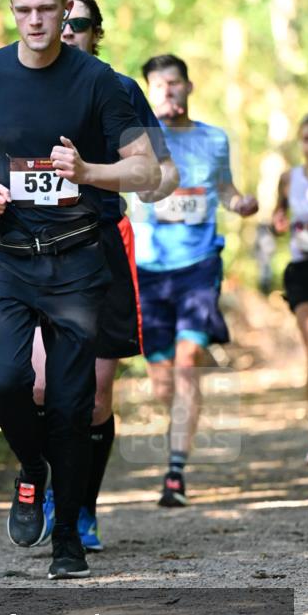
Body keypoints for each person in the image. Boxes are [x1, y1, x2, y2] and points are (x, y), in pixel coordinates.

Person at [0, 0, 159, 579]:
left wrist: (89, 173)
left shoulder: (100, 83)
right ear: (12, 9)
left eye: (46, 10)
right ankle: (31, 468)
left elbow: (146, 171)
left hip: (77, 262)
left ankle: (67, 535)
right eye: (23, 10)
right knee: (9, 382)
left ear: (66, 10)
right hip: (5, 258)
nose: (35, 21)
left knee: (72, 404)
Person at [32, 0, 179, 551]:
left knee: (94, 395)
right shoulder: (14, 80)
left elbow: (162, 171)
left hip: (100, 243)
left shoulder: (120, 90)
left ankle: (81, 507)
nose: (66, 31)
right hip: (32, 247)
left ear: (97, 33)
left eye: (80, 24)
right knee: (40, 385)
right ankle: (42, 481)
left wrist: (144, 180)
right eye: (59, 22)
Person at [133, 54, 258, 507]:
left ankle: (175, 471)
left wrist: (241, 203)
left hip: (199, 266)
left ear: (189, 87)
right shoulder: (136, 142)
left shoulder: (214, 139)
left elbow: (224, 189)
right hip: (148, 271)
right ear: (148, 94)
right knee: (163, 381)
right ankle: (178, 428)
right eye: (157, 86)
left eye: (173, 83)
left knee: (187, 361)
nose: (167, 91)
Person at [272, 111, 308, 464]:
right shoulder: (289, 179)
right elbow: (277, 219)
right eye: (307, 139)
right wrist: (279, 222)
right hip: (302, 270)